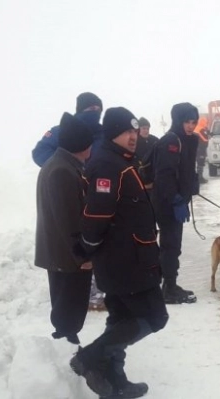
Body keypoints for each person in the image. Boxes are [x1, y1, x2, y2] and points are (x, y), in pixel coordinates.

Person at [71, 107, 168, 398]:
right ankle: (89, 358)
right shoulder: (108, 165)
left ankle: (115, 382)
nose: (133, 136)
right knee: (154, 317)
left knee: (121, 319)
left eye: (134, 131)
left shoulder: (120, 162)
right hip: (126, 262)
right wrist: (87, 247)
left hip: (130, 258)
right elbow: (98, 214)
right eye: (127, 131)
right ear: (114, 133)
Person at [30, 92, 107, 311]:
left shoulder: (102, 133)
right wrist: (66, 169)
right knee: (75, 234)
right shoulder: (61, 132)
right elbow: (39, 153)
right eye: (89, 109)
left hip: (97, 192)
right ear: (79, 110)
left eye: (97, 109)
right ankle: (84, 298)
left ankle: (97, 291)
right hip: (70, 188)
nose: (94, 113)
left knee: (96, 239)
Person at [34, 112, 95, 345]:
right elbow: (68, 219)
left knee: (67, 308)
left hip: (62, 254)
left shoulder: (61, 164)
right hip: (67, 256)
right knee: (68, 310)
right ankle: (64, 351)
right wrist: (82, 255)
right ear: (82, 145)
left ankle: (66, 346)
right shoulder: (63, 170)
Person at [149, 102, 200, 304]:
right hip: (166, 202)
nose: (191, 126)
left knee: (172, 245)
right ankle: (168, 289)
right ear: (178, 120)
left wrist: (191, 186)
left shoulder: (189, 140)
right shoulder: (171, 141)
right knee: (170, 246)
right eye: (187, 121)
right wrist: (176, 200)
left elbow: (186, 168)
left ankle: (167, 284)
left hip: (177, 200)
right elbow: (164, 175)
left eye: (194, 122)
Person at [32, 92, 104, 167]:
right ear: (81, 110)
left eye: (99, 109)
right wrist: (66, 166)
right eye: (92, 108)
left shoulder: (104, 134)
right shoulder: (62, 130)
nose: (96, 112)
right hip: (67, 176)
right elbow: (40, 151)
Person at [194, 116, 210, 184]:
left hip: (198, 148)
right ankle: (200, 178)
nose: (206, 123)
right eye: (206, 122)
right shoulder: (201, 129)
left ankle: (198, 177)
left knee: (199, 163)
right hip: (200, 149)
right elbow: (205, 139)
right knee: (200, 163)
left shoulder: (197, 128)